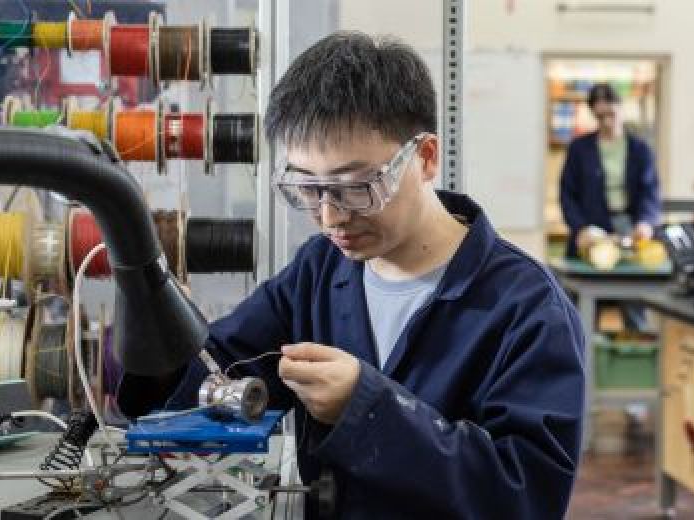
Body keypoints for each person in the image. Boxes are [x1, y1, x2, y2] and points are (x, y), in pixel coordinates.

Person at [116, 32, 586, 518]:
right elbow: (218, 369)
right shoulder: (318, 272)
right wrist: (153, 322)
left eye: (356, 187)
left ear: (425, 157)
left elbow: (526, 495)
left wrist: (369, 411)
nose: (329, 217)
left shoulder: (527, 311)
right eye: (307, 187)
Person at [559, 83, 662, 257]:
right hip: (592, 232)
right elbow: (567, 194)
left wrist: (645, 222)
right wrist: (580, 228)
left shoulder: (640, 149)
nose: (606, 121)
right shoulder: (579, 149)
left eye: (611, 114)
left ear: (621, 109)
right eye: (600, 116)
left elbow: (650, 191)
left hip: (630, 230)